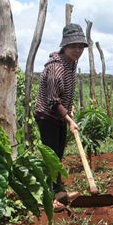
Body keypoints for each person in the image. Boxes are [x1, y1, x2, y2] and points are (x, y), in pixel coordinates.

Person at [34, 23, 88, 212]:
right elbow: (52, 101)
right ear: (65, 46)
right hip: (47, 115)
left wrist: (69, 107)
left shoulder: (71, 63)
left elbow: (63, 95)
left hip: (59, 115)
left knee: (58, 156)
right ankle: (49, 198)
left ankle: (59, 192)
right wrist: (70, 120)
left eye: (81, 46)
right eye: (74, 46)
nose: (78, 50)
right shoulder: (56, 67)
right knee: (51, 157)